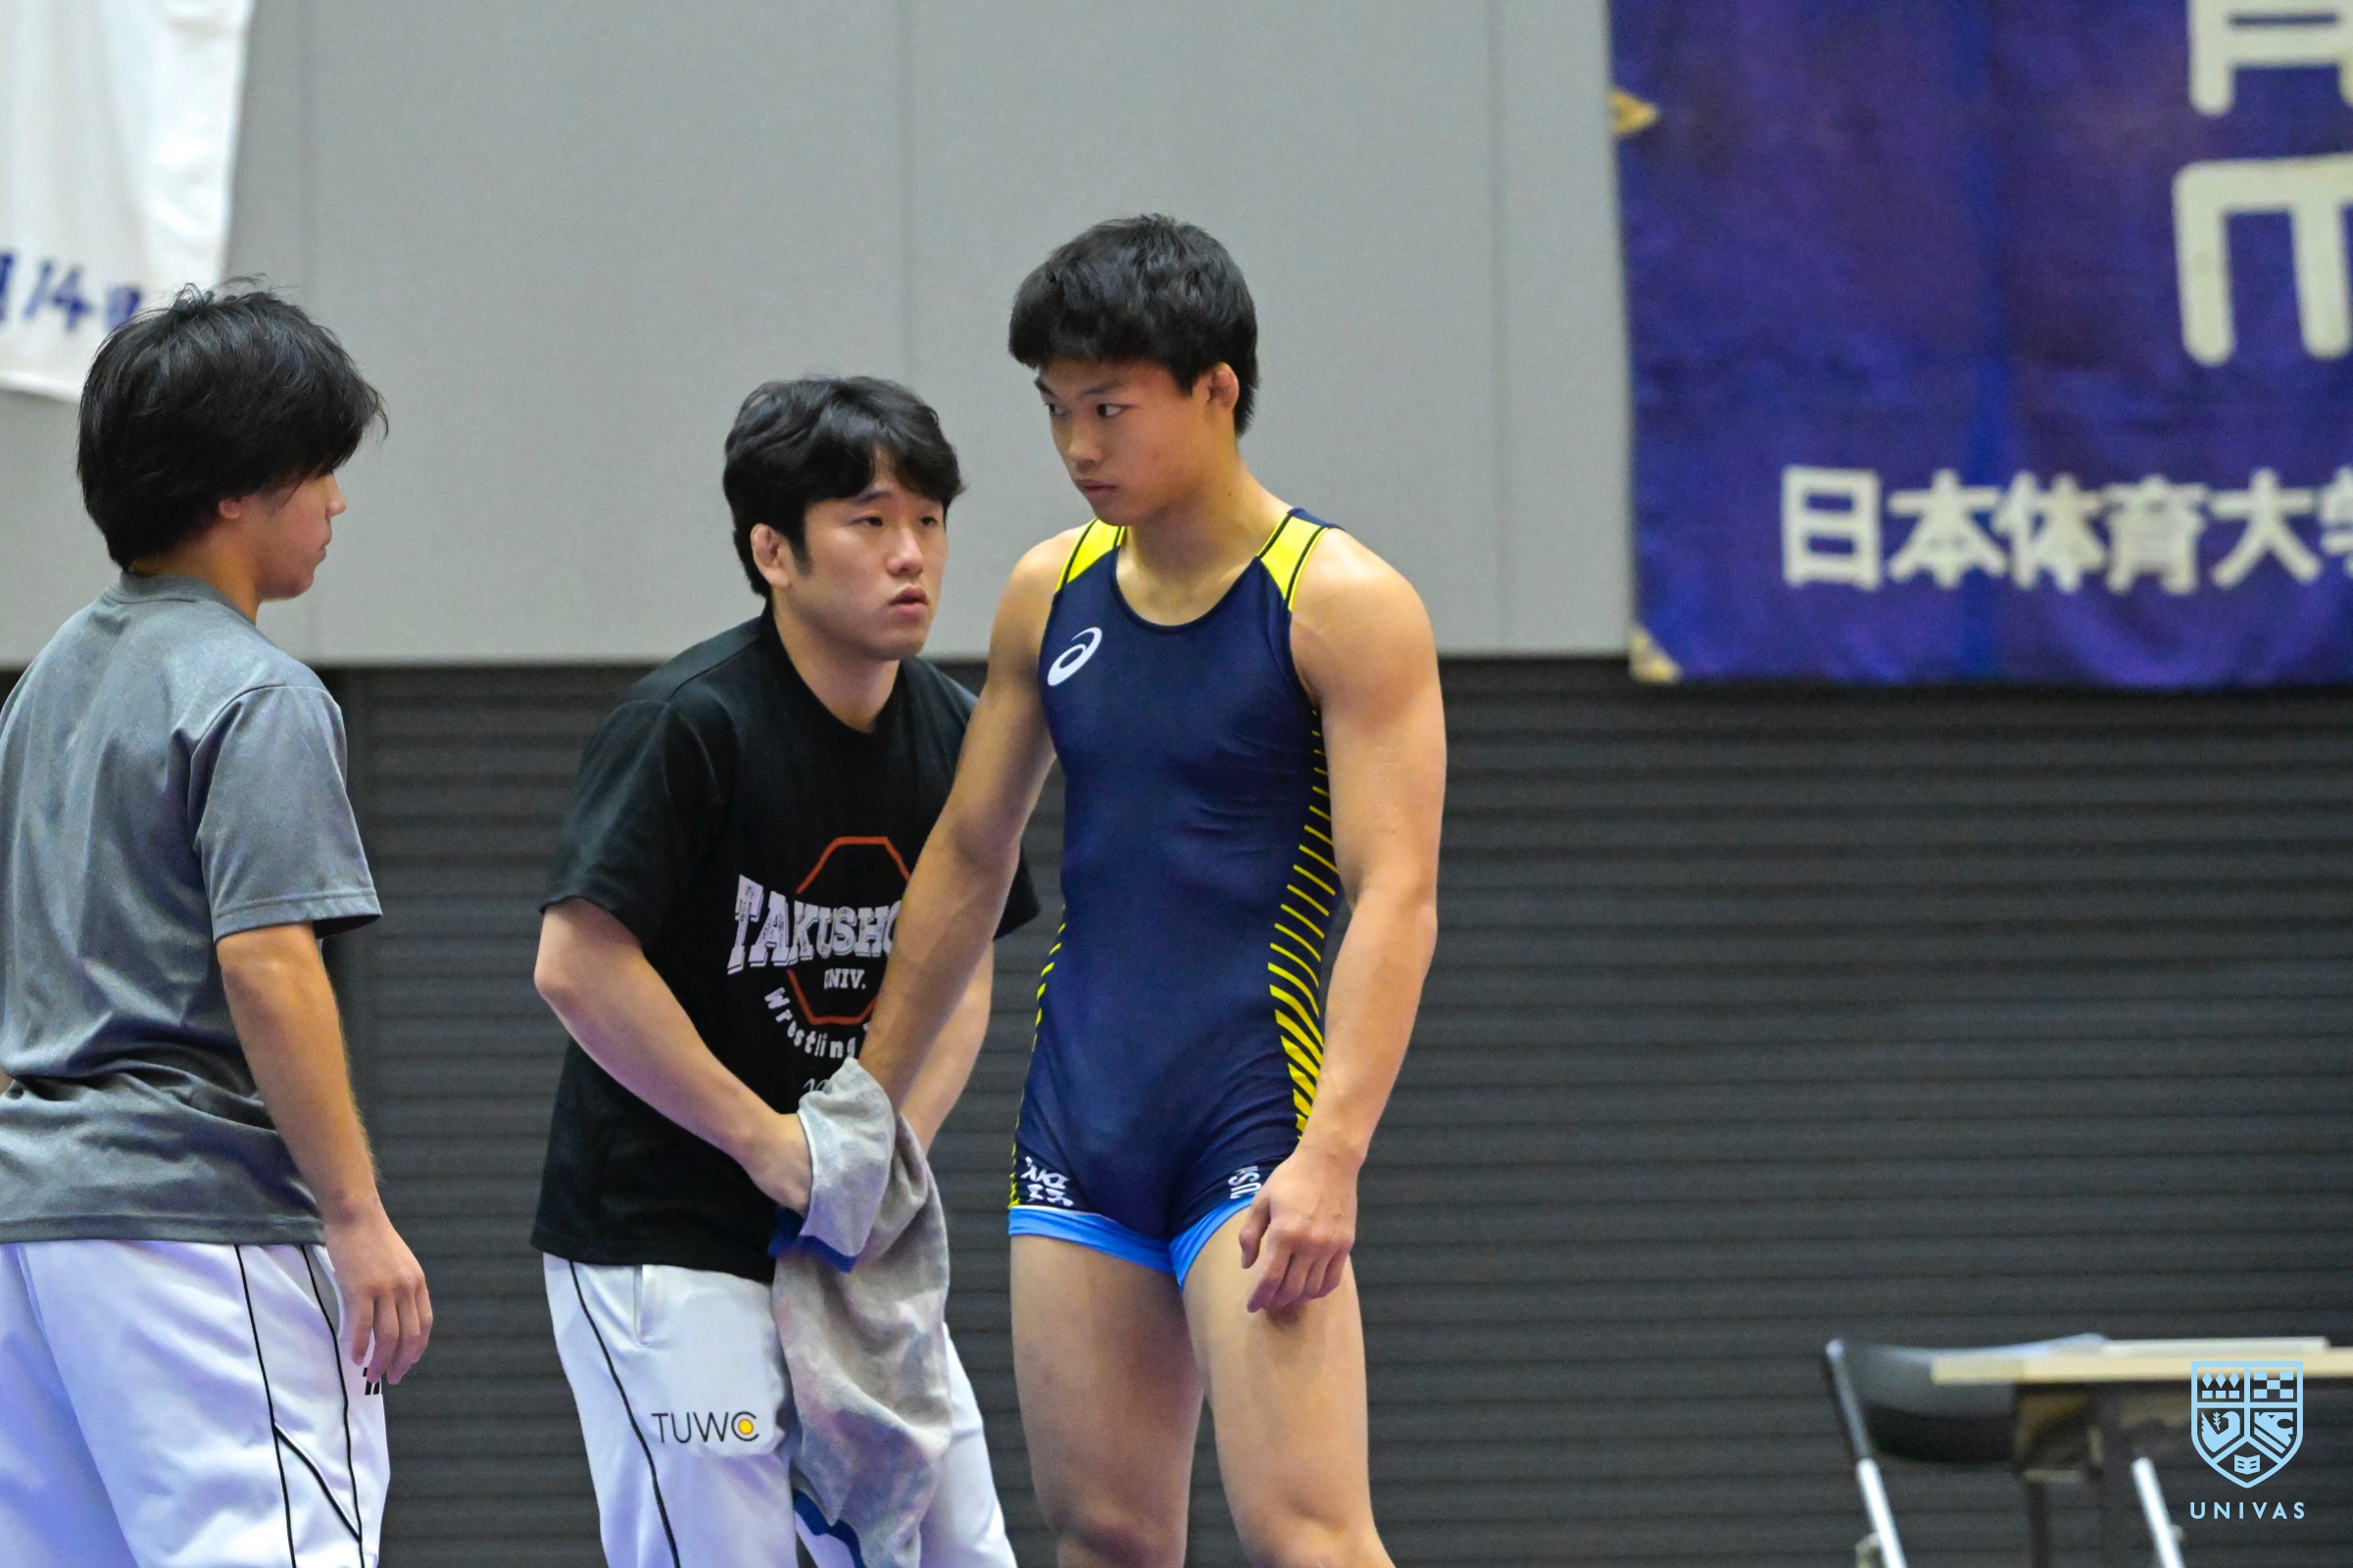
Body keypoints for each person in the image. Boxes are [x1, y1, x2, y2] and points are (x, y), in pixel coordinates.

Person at [858, 217, 1446, 1567]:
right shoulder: (1048, 591)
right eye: (1055, 408)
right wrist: (865, 1111)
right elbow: (968, 856)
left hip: (1253, 1119)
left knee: (1308, 1536)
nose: (1077, 446)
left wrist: (1332, 1159)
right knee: (1104, 1536)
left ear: (1216, 389)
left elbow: (1396, 895)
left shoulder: (1339, 603)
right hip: (1082, 1115)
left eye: (1110, 408)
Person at [530, 375, 1038, 1568]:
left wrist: (876, 1150)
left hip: (851, 1243)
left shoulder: (956, 734)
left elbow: (964, 962)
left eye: (930, 520)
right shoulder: (690, 722)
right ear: (773, 552)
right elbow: (578, 964)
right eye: (869, 522)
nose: (912, 554)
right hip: (666, 1240)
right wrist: (766, 1142)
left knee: (963, 1544)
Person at [0, 286, 430, 1568]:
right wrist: (354, 1213)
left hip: (31, 1233)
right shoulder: (257, 693)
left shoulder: (47, 685)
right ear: (238, 488)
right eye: (320, 471)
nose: (337, 504)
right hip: (191, 1223)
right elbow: (269, 961)